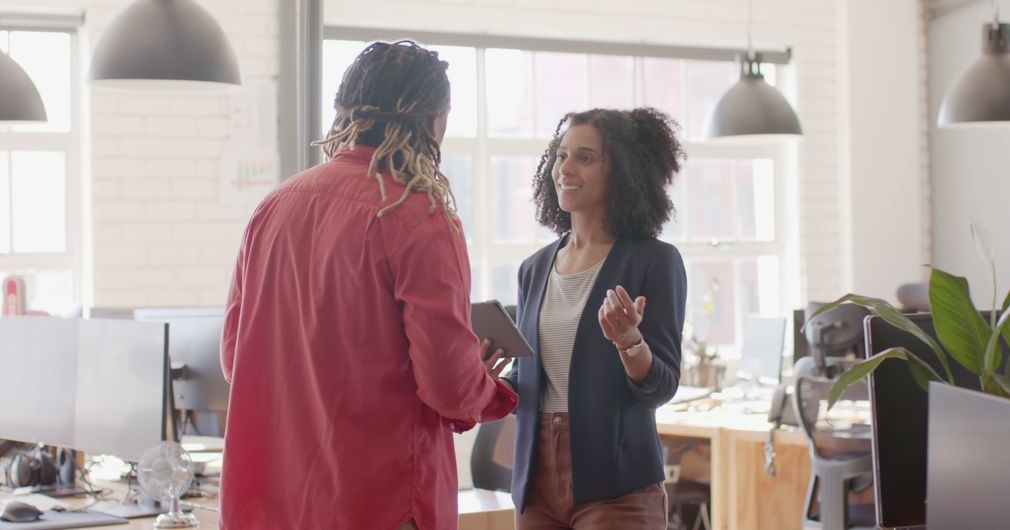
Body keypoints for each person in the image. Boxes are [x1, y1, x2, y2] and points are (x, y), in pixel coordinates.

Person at [219, 41, 517, 530]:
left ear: (345, 114)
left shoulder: (273, 208)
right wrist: (485, 386)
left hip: (273, 504)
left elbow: (236, 358)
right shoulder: (418, 215)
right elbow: (447, 385)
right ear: (433, 122)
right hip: (378, 502)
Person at [502, 108, 688, 529]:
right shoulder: (534, 268)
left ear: (620, 171)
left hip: (617, 485)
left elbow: (661, 385)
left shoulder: (654, 261)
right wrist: (486, 378)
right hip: (535, 487)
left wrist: (629, 343)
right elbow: (527, 379)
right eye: (561, 155)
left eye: (585, 157)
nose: (565, 168)